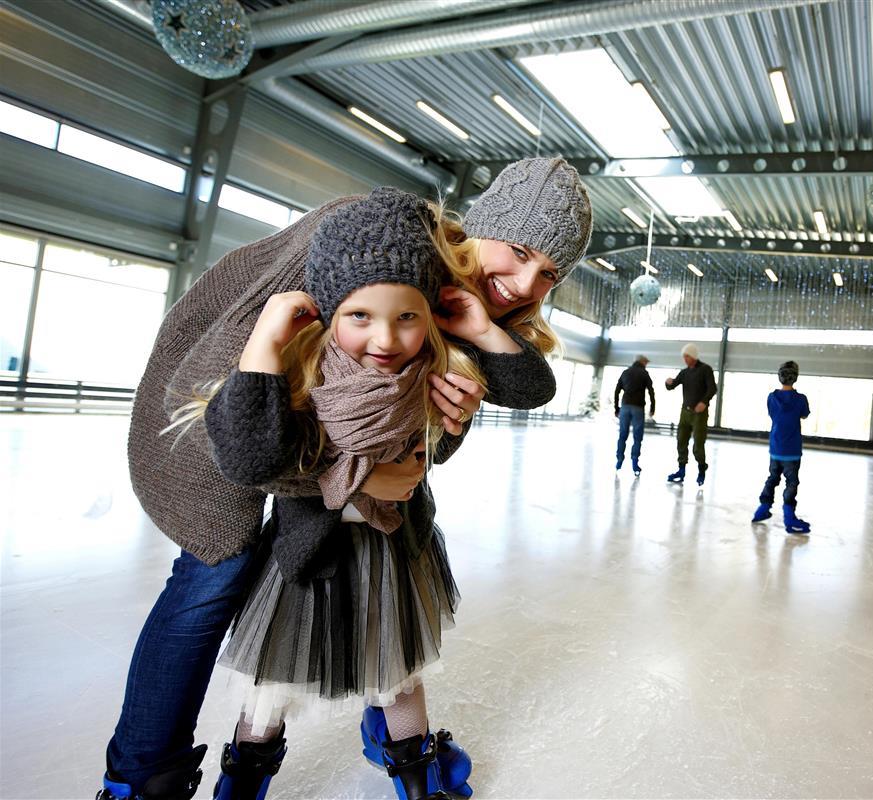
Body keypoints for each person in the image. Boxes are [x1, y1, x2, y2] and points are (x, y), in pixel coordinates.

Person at [100, 157, 592, 800]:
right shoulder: (369, 238)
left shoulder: (464, 308)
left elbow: (436, 440)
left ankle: (390, 722)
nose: (525, 284)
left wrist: (444, 420)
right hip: (214, 409)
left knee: (373, 568)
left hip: (313, 451)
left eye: (549, 273)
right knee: (214, 575)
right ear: (486, 225)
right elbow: (231, 407)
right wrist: (353, 480)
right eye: (520, 252)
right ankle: (143, 776)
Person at [192, 189, 480, 797]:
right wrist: (264, 345)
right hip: (307, 555)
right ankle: (243, 781)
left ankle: (417, 779)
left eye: (406, 317)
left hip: (390, 552)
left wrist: (453, 423)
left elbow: (434, 453)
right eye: (361, 316)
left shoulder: (427, 379)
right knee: (271, 687)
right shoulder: (306, 375)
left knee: (400, 673)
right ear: (329, 314)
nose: (386, 339)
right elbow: (252, 460)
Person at [751, 360, 811, 534]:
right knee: (791, 482)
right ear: (795, 377)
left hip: (776, 448)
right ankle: (789, 517)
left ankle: (763, 508)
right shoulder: (801, 399)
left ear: (780, 376)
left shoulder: (772, 398)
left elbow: (772, 414)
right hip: (792, 450)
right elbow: (804, 414)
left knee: (773, 477)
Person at [664, 343, 717, 485]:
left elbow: (712, 388)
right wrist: (668, 383)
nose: (685, 359)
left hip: (699, 414)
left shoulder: (705, 369)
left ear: (693, 356)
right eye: (684, 356)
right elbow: (672, 385)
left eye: (687, 356)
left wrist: (704, 402)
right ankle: (681, 470)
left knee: (698, 445)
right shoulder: (684, 372)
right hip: (685, 413)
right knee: (681, 441)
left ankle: (701, 468)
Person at [613, 354, 655, 475]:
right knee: (637, 437)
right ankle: (635, 463)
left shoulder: (625, 372)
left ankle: (619, 460)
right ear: (641, 362)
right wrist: (652, 407)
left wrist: (616, 408)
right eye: (645, 362)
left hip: (625, 407)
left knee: (622, 435)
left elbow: (617, 391)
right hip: (638, 408)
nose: (646, 364)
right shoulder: (644, 374)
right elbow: (651, 391)